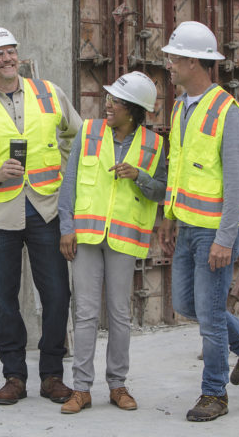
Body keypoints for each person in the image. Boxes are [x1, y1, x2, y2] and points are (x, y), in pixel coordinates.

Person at [0, 25, 83, 405]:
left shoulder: (49, 93)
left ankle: (52, 375)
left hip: (46, 210)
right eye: (0, 54)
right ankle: (14, 376)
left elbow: (78, 137)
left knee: (57, 296)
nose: (9, 58)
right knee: (5, 300)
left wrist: (65, 170)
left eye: (12, 51)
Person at [157, 21, 239, 422]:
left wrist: (225, 238)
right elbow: (179, 169)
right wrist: (169, 217)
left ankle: (214, 394)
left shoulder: (229, 112)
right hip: (188, 226)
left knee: (209, 316)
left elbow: (237, 183)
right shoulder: (180, 107)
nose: (168, 65)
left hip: (216, 232)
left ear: (192, 61)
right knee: (187, 303)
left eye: (173, 58)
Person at [57, 72, 166, 414]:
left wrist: (140, 176)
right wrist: (66, 227)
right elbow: (69, 182)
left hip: (123, 237)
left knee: (119, 314)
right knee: (86, 313)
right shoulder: (88, 132)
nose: (107, 105)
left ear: (132, 110)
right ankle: (81, 388)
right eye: (108, 99)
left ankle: (117, 385)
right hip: (87, 236)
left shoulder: (153, 144)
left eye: (115, 101)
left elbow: (162, 190)